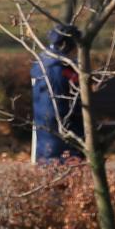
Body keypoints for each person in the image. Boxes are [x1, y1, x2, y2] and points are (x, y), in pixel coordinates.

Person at [32, 24, 86, 163]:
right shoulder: (61, 68)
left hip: (44, 119)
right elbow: (68, 99)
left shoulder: (43, 62)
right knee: (63, 159)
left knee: (49, 157)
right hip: (63, 120)